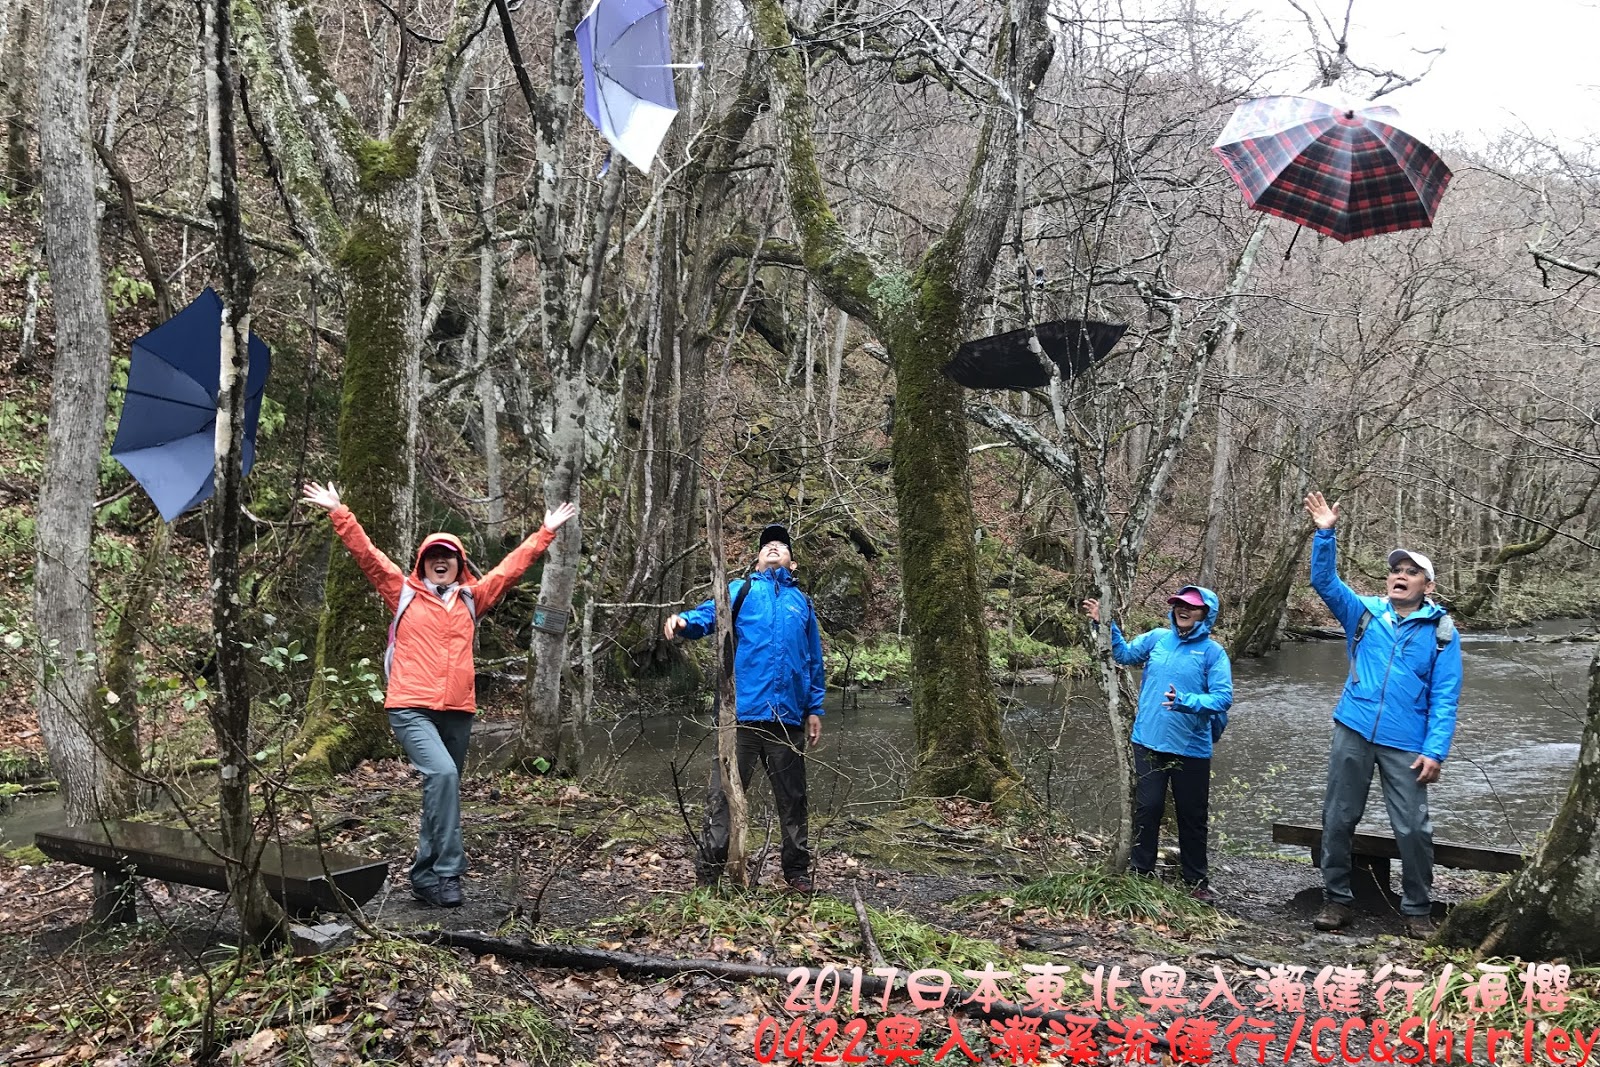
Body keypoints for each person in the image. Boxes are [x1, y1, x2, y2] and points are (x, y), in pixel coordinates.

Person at [301, 480, 576, 908]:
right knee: (444, 776)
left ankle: (423, 877)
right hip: (410, 706)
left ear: (459, 564)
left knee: (442, 789)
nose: (440, 562)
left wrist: (545, 532)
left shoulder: (472, 598)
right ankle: (448, 872)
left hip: (457, 710)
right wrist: (340, 511)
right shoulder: (403, 592)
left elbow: (509, 570)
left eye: (448, 556)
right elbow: (368, 556)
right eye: (433, 557)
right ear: (423, 564)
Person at [1302, 491, 1462, 938]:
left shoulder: (1442, 632)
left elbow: (1446, 696)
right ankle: (1337, 900)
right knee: (1338, 818)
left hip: (1406, 740)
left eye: (1411, 573)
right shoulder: (1364, 613)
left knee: (1413, 828)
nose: (1400, 576)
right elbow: (1324, 581)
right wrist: (1325, 534)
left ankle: (1417, 909)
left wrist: (1435, 751)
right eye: (1396, 570)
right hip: (1353, 727)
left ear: (1427, 586)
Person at [663, 522, 826, 893]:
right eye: (767, 545)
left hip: (788, 719)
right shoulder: (742, 589)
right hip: (742, 717)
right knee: (722, 796)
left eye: (781, 545)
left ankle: (796, 873)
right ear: (757, 559)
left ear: (793, 563)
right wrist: (684, 621)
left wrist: (814, 708)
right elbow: (709, 615)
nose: (773, 547)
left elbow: (813, 660)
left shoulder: (802, 603)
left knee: (794, 799)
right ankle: (709, 874)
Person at [1081, 587, 1233, 900]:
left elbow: (1223, 698)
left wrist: (1185, 701)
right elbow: (1123, 655)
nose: (1182, 610)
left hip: (1191, 748)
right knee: (1147, 809)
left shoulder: (1213, 653)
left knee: (1192, 817)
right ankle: (1141, 873)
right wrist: (1104, 624)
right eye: (1178, 604)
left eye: (1191, 606)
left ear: (1206, 614)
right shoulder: (1157, 638)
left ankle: (1195, 882)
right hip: (1148, 741)